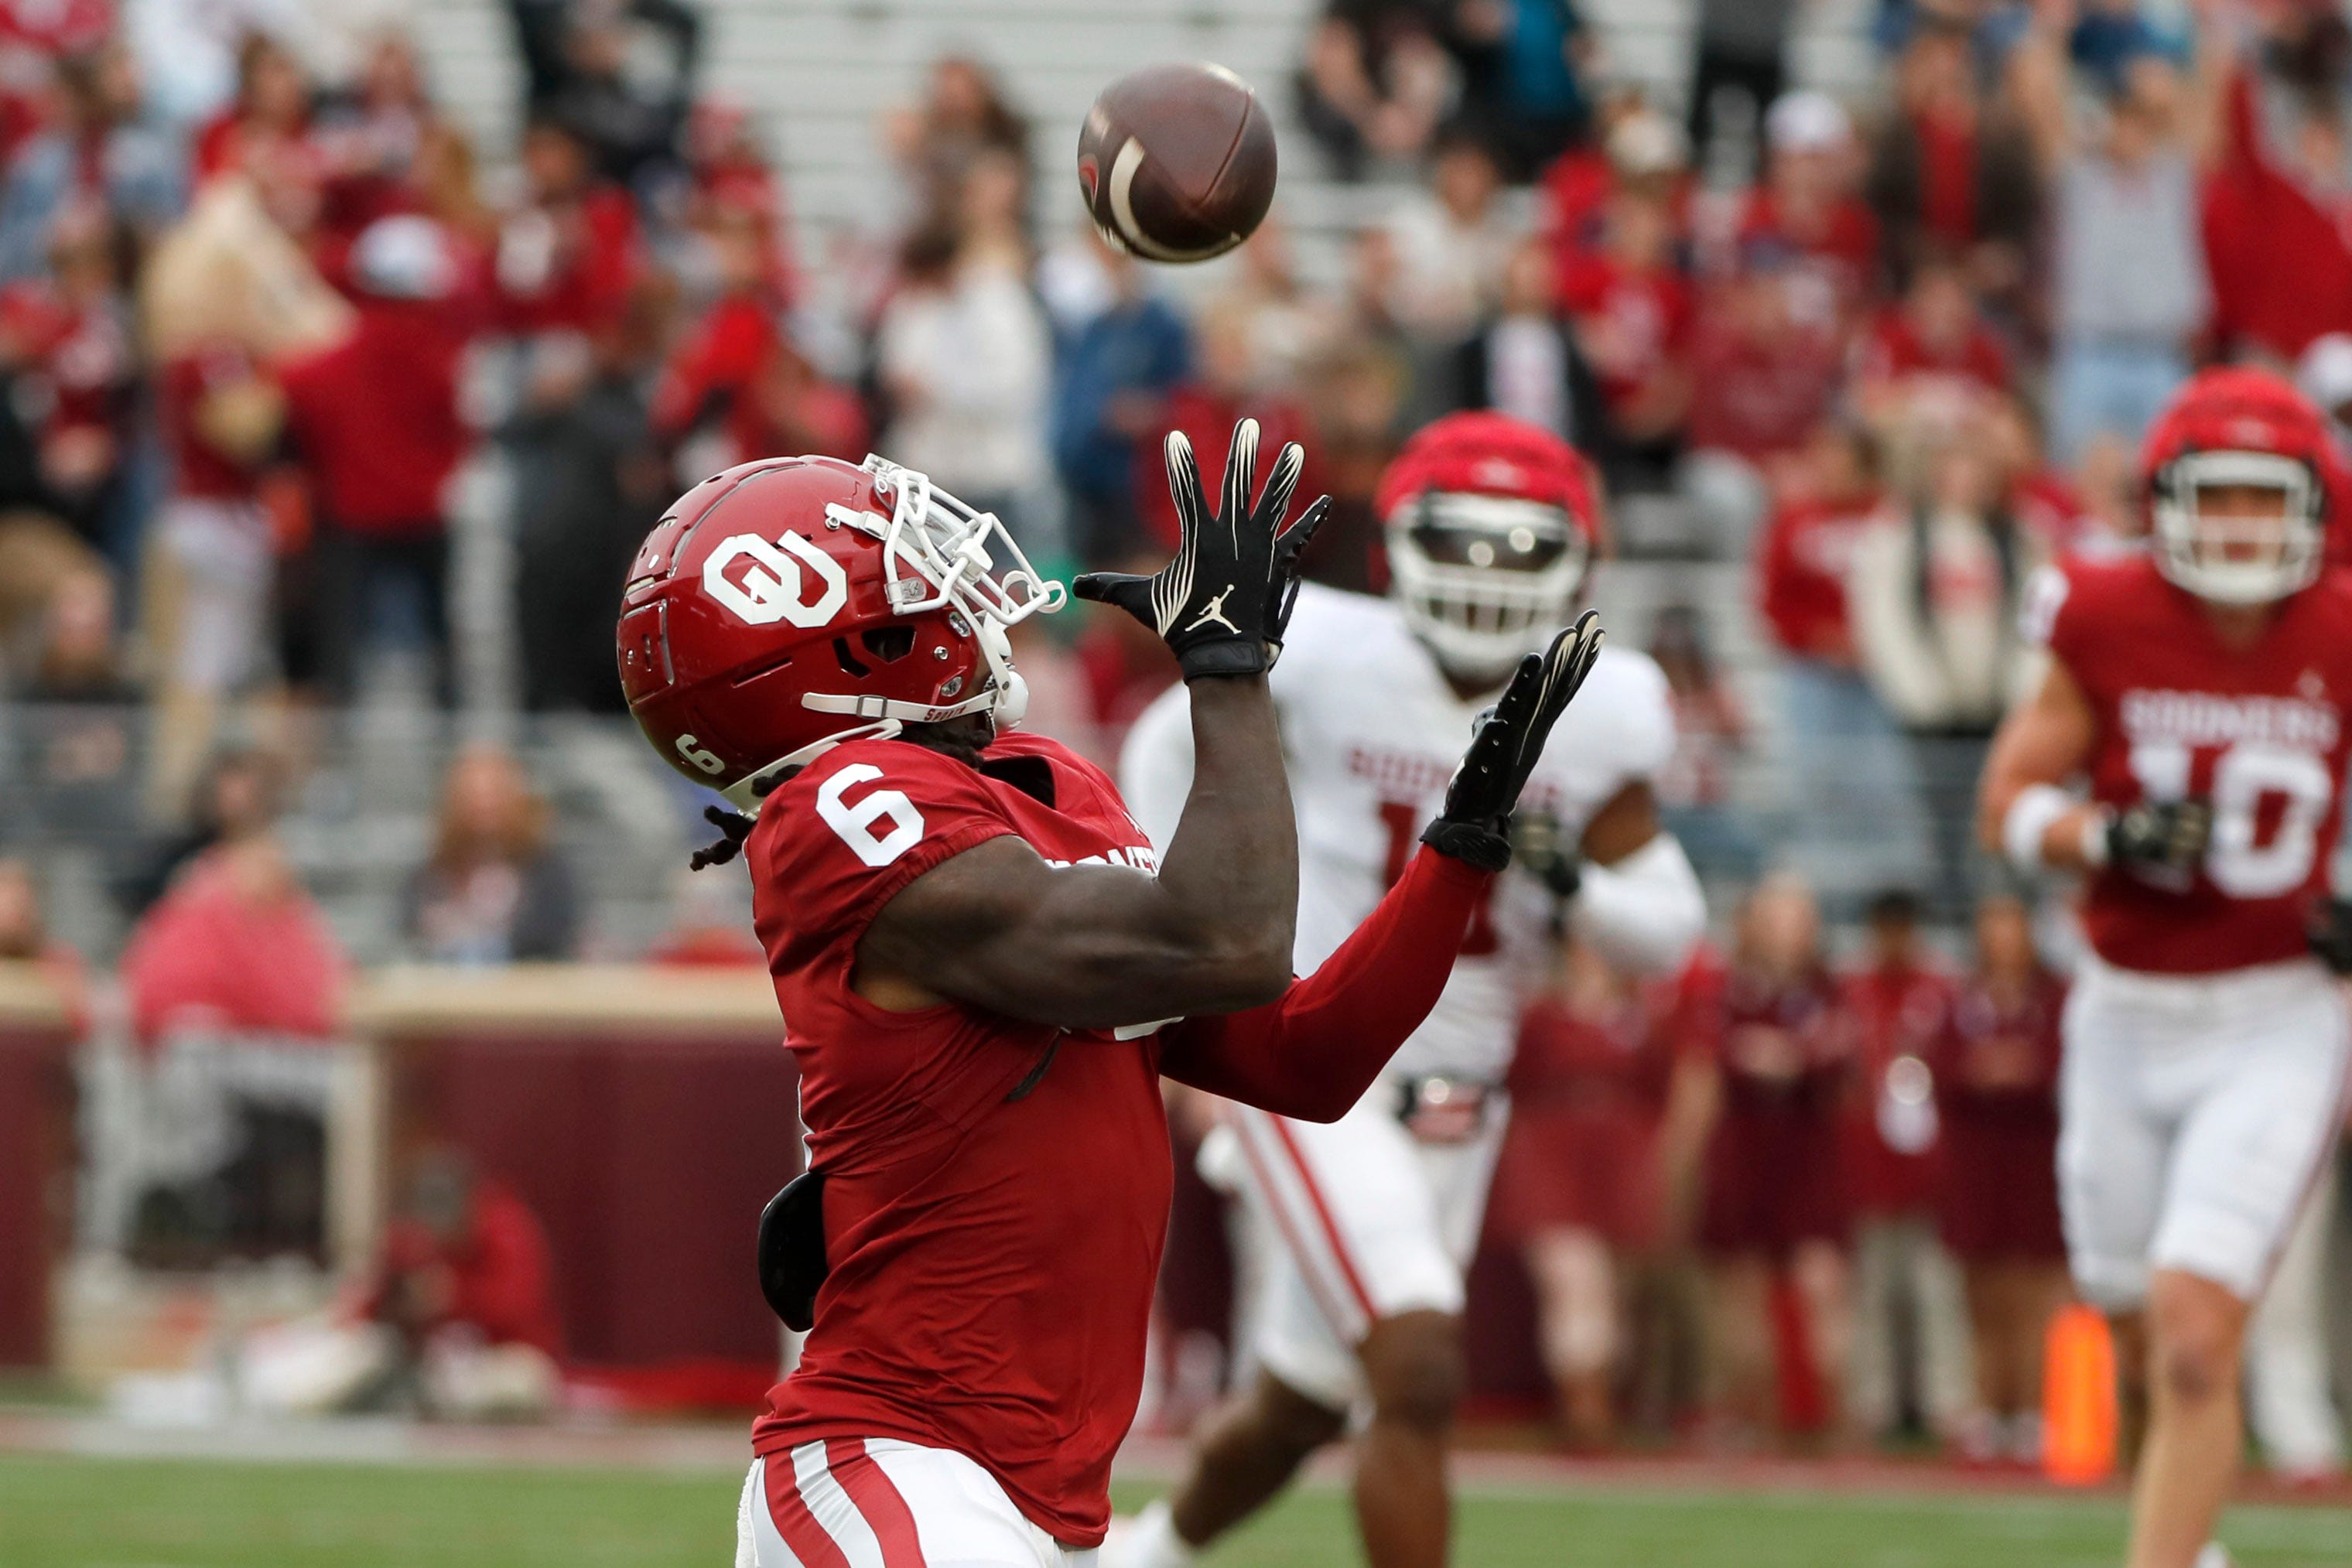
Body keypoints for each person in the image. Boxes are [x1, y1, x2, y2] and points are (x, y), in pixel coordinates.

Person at [614, 421, 1602, 1564]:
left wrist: (1458, 850)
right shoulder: (840, 808)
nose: (962, 592)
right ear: (841, 646)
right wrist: (1230, 674)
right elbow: (1224, 937)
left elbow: (1305, 1061)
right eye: (914, 575)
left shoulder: (1046, 782)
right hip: (894, 1459)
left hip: (1043, 1496)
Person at [1114, 412, 1703, 1568]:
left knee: (1306, 1400)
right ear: (1399, 543)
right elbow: (1162, 748)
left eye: (1519, 549)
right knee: (1418, 1354)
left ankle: (1146, 1555)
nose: (1486, 576)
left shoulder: (1606, 695)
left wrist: (1567, 875)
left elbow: (1665, 932)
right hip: (1309, 1058)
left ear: (1580, 558)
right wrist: (1182, 956)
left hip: (1460, 1089)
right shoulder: (1322, 644)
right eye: (1465, 542)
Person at [1978, 367, 2352, 1568]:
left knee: (2197, 1333)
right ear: (2167, 501)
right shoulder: (2102, 610)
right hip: (2126, 1010)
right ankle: (2189, 1547)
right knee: (2132, 1319)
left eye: (2265, 498)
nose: (2242, 526)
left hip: (2281, 1011)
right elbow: (2006, 804)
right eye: (2220, 496)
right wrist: (2105, 835)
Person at [1668, 874, 1856, 1443]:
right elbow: (1701, 1078)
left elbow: (1847, 1068)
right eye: (1777, 917)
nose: (1789, 931)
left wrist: (1796, 1058)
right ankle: (1751, 1418)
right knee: (1739, 1298)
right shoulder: (1725, 994)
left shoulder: (1829, 993)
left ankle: (1834, 1424)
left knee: (1823, 1287)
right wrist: (1680, 1170)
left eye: (1798, 918)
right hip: (1743, 1158)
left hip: (1810, 1161)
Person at [1486, 936, 1672, 1448]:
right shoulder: (1542, 1016)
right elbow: (1515, 1082)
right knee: (1573, 1282)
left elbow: (1661, 1087)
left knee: (1614, 1293)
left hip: (1618, 1161)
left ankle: (1606, 1399)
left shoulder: (1642, 1019)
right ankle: (1583, 1408)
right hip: (1553, 1158)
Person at [1930, 892, 2069, 1464]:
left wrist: (2019, 1070)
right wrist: (1986, 1069)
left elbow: (2061, 1063)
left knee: (2034, 1291)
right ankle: (1989, 1406)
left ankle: (2037, 1409)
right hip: (1978, 1161)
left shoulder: (2052, 1000)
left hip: (2033, 1159)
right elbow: (1940, 1067)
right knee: (1982, 1291)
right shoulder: (1961, 1002)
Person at [1841, 888, 1972, 1446]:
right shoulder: (1853, 991)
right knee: (1874, 1290)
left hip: (1932, 1169)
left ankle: (1946, 1406)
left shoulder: (1942, 991)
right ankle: (1876, 1405)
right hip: (1868, 1164)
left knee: (1933, 1291)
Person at [401, 745, 581, 965]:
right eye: (473, 796)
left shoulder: (548, 870)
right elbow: (410, 931)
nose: (484, 805)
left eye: (493, 794)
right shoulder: (431, 871)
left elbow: (555, 934)